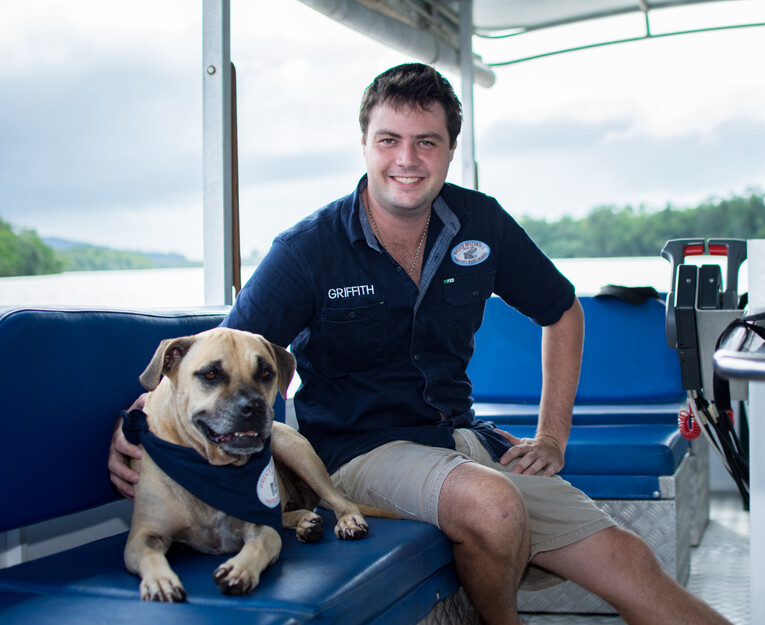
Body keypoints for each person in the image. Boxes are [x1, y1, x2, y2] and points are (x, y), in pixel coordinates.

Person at [110, 63, 731, 625]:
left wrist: (552, 435)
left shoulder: (481, 223)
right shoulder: (308, 251)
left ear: (450, 150)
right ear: (365, 145)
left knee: (630, 559)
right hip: (358, 453)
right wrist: (138, 424)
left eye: (426, 141)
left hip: (460, 439)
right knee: (492, 506)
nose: (406, 159)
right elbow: (218, 356)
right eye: (389, 140)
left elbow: (563, 310)